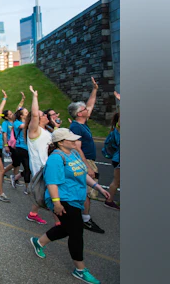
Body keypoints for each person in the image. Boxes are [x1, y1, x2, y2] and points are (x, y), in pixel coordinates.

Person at [29, 128, 110, 284]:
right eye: (71, 139)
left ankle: (38, 242)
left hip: (76, 198)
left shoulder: (72, 154)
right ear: (60, 142)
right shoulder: (56, 159)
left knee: (66, 228)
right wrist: (57, 204)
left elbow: (82, 173)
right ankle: (80, 270)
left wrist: (98, 187)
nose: (75, 141)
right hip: (64, 199)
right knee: (76, 233)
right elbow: (52, 183)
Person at [68, 77, 104, 234]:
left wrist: (94, 90)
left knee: (86, 191)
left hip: (89, 160)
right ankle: (85, 219)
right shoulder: (75, 127)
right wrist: (87, 166)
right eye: (84, 110)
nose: (88, 110)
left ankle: (82, 216)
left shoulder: (83, 123)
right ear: (78, 113)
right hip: (86, 161)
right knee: (86, 192)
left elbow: (90, 104)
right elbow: (76, 147)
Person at [25, 86, 54, 225]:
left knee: (46, 192)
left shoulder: (47, 131)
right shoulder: (34, 131)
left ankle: (33, 213)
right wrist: (34, 97)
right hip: (40, 167)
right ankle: (59, 222)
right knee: (53, 193)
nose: (44, 116)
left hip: (49, 165)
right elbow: (35, 114)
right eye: (43, 115)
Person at [103, 91, 120, 210]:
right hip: (120, 160)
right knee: (116, 181)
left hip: (117, 158)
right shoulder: (119, 130)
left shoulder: (115, 130)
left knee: (116, 182)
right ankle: (109, 201)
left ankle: (109, 200)